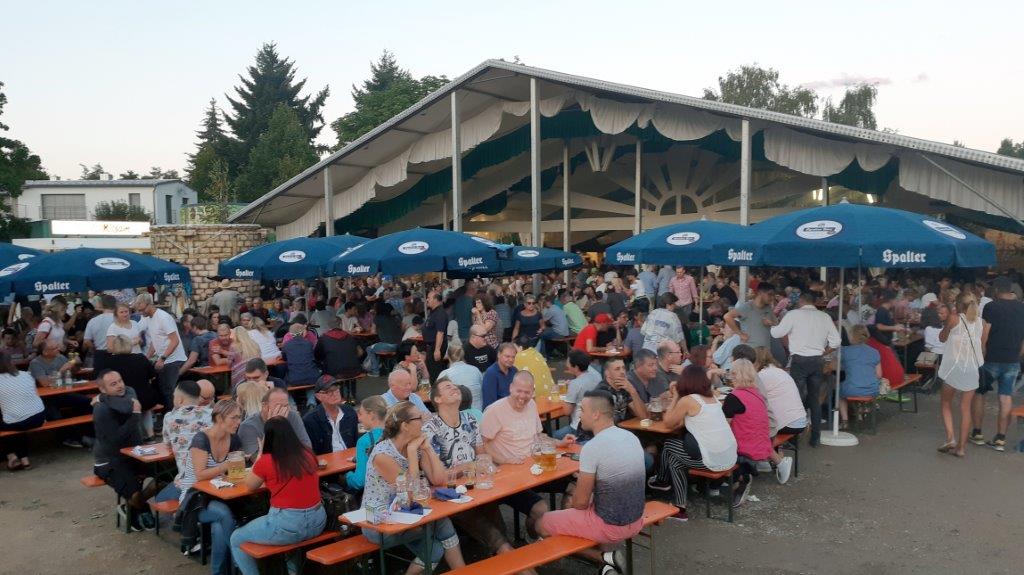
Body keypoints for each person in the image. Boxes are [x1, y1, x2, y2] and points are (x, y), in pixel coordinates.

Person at [536, 390, 646, 574]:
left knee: (542, 522)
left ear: (596, 414)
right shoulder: (631, 438)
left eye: (582, 409)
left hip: (609, 526)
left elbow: (580, 503)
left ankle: (605, 558)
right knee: (574, 515)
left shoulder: (593, 448)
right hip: (637, 519)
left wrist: (580, 490)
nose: (580, 414)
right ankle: (608, 568)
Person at [362, 401, 467, 573]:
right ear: (405, 425)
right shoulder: (382, 455)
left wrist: (427, 449)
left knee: (435, 550)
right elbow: (410, 495)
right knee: (441, 525)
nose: (425, 420)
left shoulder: (415, 445)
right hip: (378, 523)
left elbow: (439, 479)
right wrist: (412, 454)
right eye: (419, 418)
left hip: (405, 515)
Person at [481, 371, 574, 538]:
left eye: (527, 392)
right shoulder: (494, 411)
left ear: (532, 392)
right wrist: (504, 460)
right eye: (519, 391)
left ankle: (566, 533)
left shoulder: (531, 405)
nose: (523, 396)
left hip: (535, 468)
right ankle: (537, 536)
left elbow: (539, 436)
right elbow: (481, 445)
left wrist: (560, 443)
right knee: (541, 509)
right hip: (511, 478)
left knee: (575, 488)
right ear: (511, 388)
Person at [230, 416, 327, 575]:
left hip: (288, 525)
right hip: (318, 522)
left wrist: (260, 454)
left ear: (268, 437)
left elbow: (250, 485)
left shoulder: (266, 460)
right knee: (291, 542)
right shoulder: (307, 454)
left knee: (236, 538)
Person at [648, 365, 737, 522]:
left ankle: (661, 481)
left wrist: (675, 396)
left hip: (713, 460)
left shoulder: (688, 401)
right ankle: (680, 508)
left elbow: (668, 422)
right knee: (676, 461)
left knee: (669, 445)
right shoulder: (713, 398)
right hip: (729, 456)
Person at [769, 290, 840, 447]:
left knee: (796, 397)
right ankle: (815, 438)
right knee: (814, 399)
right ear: (814, 301)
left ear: (801, 300)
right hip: (817, 360)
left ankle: (794, 438)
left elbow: (777, 333)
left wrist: (772, 325)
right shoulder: (824, 316)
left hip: (799, 360)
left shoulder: (793, 315)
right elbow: (836, 341)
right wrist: (823, 351)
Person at [92, 369, 159, 531]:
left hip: (134, 454)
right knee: (134, 493)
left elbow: (127, 404)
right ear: (102, 388)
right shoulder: (101, 410)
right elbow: (116, 440)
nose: (120, 386)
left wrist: (102, 397)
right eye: (113, 384)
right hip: (110, 460)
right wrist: (135, 416)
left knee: (168, 474)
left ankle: (133, 505)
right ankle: (138, 506)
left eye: (120, 381)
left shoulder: (128, 391)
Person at [180, 400, 241, 575]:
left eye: (239, 417)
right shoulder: (201, 439)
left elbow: (236, 472)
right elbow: (200, 475)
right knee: (222, 514)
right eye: (234, 417)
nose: (238, 421)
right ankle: (239, 560)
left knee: (219, 527)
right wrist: (225, 467)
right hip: (195, 498)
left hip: (220, 493)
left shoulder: (234, 438)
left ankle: (219, 573)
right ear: (219, 418)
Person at [972, 277, 1024, 451]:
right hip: (1012, 359)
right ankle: (1001, 439)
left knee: (980, 393)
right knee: (1006, 396)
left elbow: (985, 334)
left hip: (991, 358)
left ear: (995, 291)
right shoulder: (1022, 308)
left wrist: (982, 354)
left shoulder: (991, 307)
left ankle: (977, 434)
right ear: (1011, 290)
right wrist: (1018, 354)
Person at [722, 359, 789, 492]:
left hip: (743, 447)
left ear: (736, 375)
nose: (730, 377)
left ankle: (725, 484)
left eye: (732, 373)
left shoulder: (733, 397)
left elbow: (724, 428)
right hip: (761, 444)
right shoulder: (756, 394)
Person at [936, 292, 985, 457]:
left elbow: (942, 338)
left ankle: (950, 437)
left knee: (945, 403)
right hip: (971, 368)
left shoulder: (954, 318)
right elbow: (981, 347)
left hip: (953, 367)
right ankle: (961, 449)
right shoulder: (981, 322)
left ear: (958, 304)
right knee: (966, 409)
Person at [154, 380, 211, 503]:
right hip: (212, 476)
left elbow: (168, 445)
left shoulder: (169, 418)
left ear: (179, 399)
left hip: (186, 480)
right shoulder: (212, 415)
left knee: (159, 499)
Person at [135, 293, 187, 410]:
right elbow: (156, 340)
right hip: (164, 359)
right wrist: (147, 357)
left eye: (142, 310)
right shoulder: (148, 318)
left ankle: (173, 416)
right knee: (163, 390)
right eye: (139, 310)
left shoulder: (163, 317)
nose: (140, 313)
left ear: (149, 305)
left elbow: (174, 341)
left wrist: (162, 358)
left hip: (173, 359)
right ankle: (167, 415)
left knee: (169, 391)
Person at [106, 335, 159, 440]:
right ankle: (150, 434)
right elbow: (153, 375)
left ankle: (136, 436)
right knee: (145, 409)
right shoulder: (140, 357)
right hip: (147, 397)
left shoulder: (110, 361)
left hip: (125, 398)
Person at [0, 353, 46, 471]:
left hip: (17, 421)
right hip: (39, 417)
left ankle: (11, 455)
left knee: (11, 422)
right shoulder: (26, 374)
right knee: (15, 420)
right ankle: (25, 460)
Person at [238, 388, 312, 460]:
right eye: (278, 405)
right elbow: (257, 459)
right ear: (264, 406)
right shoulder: (248, 426)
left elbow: (307, 449)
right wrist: (273, 426)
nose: (283, 409)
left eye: (286, 406)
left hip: (293, 465)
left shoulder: (293, 416)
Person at [753, 347, 807, 440]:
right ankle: (777, 452)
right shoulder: (777, 370)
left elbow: (752, 398)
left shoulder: (763, 375)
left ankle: (773, 453)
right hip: (799, 419)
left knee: (753, 429)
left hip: (790, 423)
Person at [839, 325, 882, 428]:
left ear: (852, 336)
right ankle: (861, 412)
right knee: (860, 384)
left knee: (840, 392)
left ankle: (845, 421)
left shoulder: (844, 351)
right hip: (872, 390)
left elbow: (832, 366)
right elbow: (879, 375)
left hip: (852, 389)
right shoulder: (874, 352)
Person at [302, 376, 358, 456]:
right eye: (328, 392)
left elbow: (355, 442)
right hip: (328, 464)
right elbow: (311, 451)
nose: (334, 394)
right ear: (318, 396)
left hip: (352, 460)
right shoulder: (310, 420)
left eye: (336, 389)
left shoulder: (350, 412)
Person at [555, 349, 602, 439]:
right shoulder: (596, 376)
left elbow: (567, 412)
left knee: (553, 436)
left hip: (578, 427)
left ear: (576, 367)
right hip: (596, 424)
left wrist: (561, 397)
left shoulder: (575, 384)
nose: (566, 365)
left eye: (568, 363)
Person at [345, 395, 387, 492]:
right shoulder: (396, 432)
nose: (359, 419)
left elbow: (359, 482)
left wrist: (347, 476)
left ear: (371, 414)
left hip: (377, 494)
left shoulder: (364, 441)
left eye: (361, 414)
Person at [725, 282, 777, 350]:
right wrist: (740, 334)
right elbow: (727, 316)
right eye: (770, 294)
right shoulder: (747, 307)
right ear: (760, 293)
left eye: (773, 295)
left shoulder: (768, 308)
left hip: (765, 351)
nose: (772, 298)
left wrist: (771, 323)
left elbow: (777, 325)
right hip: (749, 351)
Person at [315, 316, 365, 380]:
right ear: (341, 324)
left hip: (334, 372)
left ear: (328, 325)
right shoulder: (350, 336)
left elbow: (317, 356)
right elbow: (361, 352)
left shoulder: (323, 338)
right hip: (355, 370)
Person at [437, 345, 483, 411]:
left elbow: (433, 395)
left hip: (459, 415)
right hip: (479, 412)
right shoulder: (475, 369)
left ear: (448, 356)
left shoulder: (445, 374)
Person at [364, 301, 402, 376]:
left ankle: (375, 371)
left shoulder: (377, 318)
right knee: (376, 347)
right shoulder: (395, 318)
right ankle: (381, 365)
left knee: (369, 348)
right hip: (398, 345)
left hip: (387, 345)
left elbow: (373, 331)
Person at [83, 294, 117, 370]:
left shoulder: (93, 321)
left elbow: (86, 341)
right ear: (115, 305)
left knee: (100, 379)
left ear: (102, 305)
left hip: (100, 354)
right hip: (117, 353)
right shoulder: (119, 319)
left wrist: (94, 348)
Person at [481, 342, 518, 410]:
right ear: (498, 355)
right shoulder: (491, 374)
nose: (511, 360)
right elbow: (489, 404)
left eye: (513, 357)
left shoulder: (514, 370)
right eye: (507, 356)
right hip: (497, 412)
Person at [422, 292, 449, 383]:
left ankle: (437, 390)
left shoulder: (440, 313)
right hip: (431, 345)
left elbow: (440, 332)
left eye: (429, 297)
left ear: (436, 299)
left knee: (435, 372)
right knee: (431, 370)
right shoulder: (433, 312)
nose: (427, 300)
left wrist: (437, 349)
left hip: (436, 346)